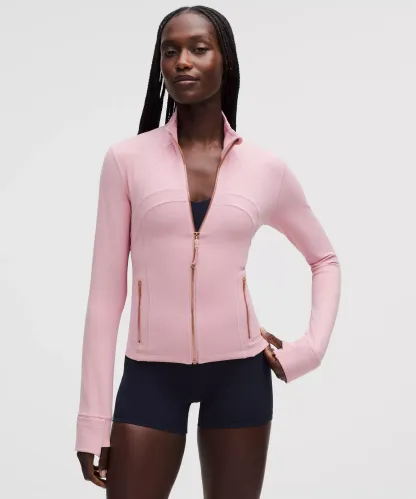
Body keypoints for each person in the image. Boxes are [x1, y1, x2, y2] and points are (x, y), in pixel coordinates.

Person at [75, 5, 341, 498]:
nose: (182, 61)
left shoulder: (265, 168)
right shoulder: (126, 160)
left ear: (225, 61)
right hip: (150, 376)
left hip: (241, 375)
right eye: (170, 51)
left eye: (198, 49)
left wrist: (309, 350)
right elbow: (105, 297)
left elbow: (324, 260)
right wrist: (92, 420)